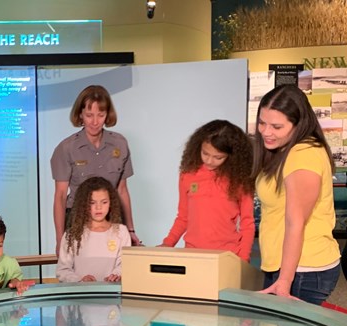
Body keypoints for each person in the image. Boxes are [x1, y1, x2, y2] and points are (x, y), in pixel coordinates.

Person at [253, 84, 341, 305]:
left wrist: (284, 280)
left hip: (302, 269)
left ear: (298, 124)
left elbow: (296, 223)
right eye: (262, 123)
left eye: (276, 126)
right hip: (287, 264)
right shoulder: (286, 149)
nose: (266, 131)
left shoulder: (303, 155)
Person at [50, 85, 140, 255]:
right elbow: (60, 196)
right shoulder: (66, 148)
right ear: (80, 115)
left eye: (100, 115)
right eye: (89, 115)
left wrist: (131, 230)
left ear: (107, 116)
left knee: (114, 272)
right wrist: (59, 239)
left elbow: (122, 190)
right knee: (80, 273)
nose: (95, 121)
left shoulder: (120, 144)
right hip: (78, 219)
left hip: (112, 219)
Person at [160, 120, 255, 261]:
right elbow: (183, 217)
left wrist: (243, 257)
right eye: (205, 153)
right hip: (192, 254)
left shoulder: (239, 179)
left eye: (218, 157)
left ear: (231, 156)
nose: (209, 161)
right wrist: (168, 243)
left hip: (228, 256)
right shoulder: (188, 175)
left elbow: (247, 223)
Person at [56, 176, 130, 282]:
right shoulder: (72, 234)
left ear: (111, 203)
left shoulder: (121, 232)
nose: (98, 207)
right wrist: (80, 280)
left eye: (104, 202)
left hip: (112, 295)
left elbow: (124, 264)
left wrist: (116, 275)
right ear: (83, 205)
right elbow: (62, 270)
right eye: (92, 203)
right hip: (81, 295)